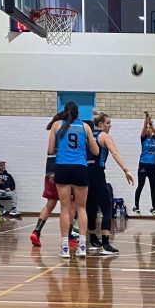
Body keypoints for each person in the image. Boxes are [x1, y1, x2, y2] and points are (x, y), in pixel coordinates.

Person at [47, 101, 98, 259]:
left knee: (64, 208)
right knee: (81, 208)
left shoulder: (56, 125)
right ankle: (82, 246)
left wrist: (62, 148)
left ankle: (65, 248)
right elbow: (96, 151)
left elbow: (50, 150)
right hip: (80, 168)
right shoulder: (85, 126)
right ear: (78, 114)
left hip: (62, 167)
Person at [87, 113, 134, 256]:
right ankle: (106, 244)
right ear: (100, 124)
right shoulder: (104, 136)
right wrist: (126, 170)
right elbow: (115, 153)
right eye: (108, 123)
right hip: (97, 173)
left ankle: (93, 240)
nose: (110, 125)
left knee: (91, 207)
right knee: (107, 207)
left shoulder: (88, 134)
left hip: (84, 172)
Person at [133, 111, 155, 216]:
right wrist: (146, 118)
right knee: (141, 185)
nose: (148, 129)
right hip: (143, 164)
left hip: (152, 166)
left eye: (150, 129)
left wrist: (151, 124)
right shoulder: (143, 139)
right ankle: (136, 207)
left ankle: (154, 208)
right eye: (147, 128)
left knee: (153, 187)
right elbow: (144, 128)